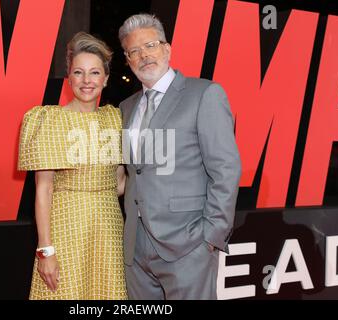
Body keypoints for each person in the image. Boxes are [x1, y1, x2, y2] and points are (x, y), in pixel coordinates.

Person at [118, 14, 242, 299]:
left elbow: (226, 169)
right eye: (134, 51)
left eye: (150, 45)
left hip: (188, 246)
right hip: (136, 247)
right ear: (127, 59)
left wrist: (210, 237)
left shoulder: (204, 94)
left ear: (167, 48)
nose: (144, 56)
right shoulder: (126, 107)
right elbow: (133, 172)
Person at [17, 32, 127, 299]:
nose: (87, 81)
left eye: (94, 73)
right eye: (79, 72)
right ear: (69, 77)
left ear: (106, 78)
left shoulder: (115, 119)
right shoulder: (49, 120)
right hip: (66, 226)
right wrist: (46, 250)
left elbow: (121, 183)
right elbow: (43, 189)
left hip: (108, 228)